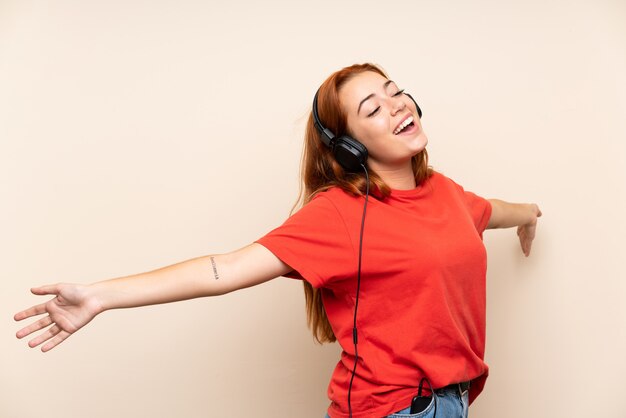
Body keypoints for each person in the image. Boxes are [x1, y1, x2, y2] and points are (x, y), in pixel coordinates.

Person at [14, 63, 541, 418]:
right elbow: (222, 269)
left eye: (395, 93)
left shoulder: (445, 194)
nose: (396, 106)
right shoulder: (340, 216)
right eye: (372, 109)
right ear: (350, 145)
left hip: (456, 402)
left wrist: (529, 215)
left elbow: (490, 211)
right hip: (394, 410)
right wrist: (102, 296)